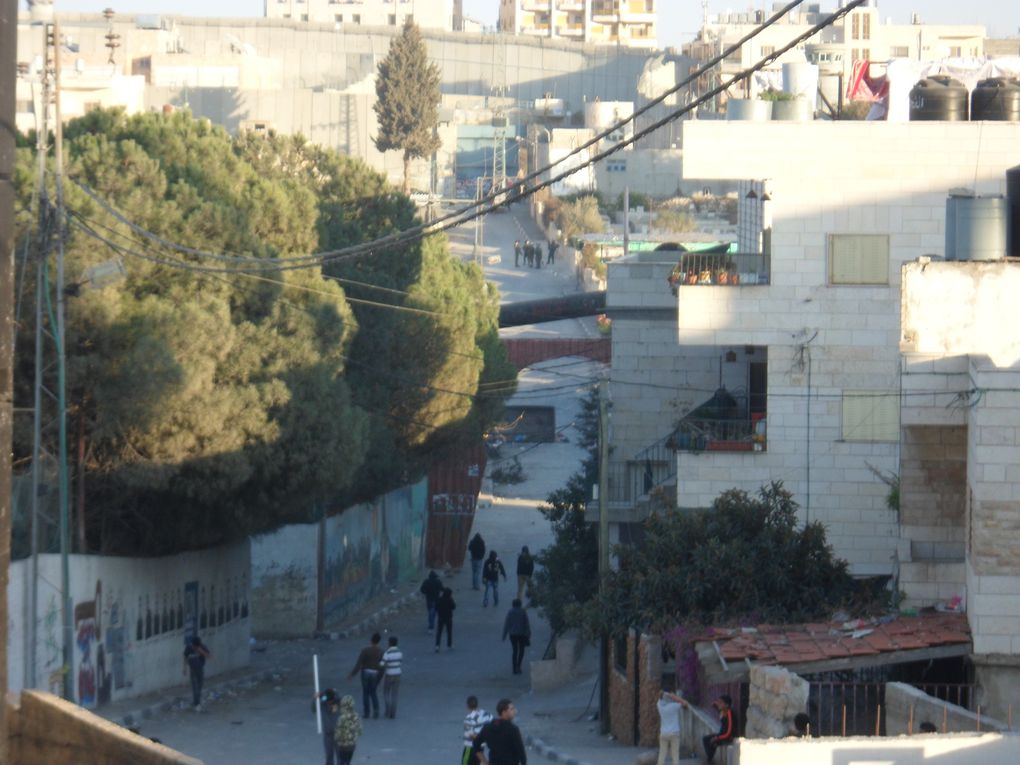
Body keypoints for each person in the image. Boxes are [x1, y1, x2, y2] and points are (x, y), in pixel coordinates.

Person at [471, 698, 527, 765]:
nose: (515, 711)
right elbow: (521, 753)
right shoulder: (513, 729)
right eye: (511, 709)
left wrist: (485, 762)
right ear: (504, 712)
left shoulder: (488, 727)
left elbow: (476, 745)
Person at [347, 632, 383, 719]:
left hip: (365, 673)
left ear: (371, 640)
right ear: (379, 641)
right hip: (375, 673)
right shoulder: (381, 652)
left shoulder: (365, 650)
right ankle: (376, 711)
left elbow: (359, 664)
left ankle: (367, 712)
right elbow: (382, 665)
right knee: (373, 692)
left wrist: (352, 674)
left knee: (365, 693)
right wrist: (380, 676)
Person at [656, 691, 687, 765]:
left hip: (663, 733)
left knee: (662, 754)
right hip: (674, 733)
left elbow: (660, 698)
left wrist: (666, 694)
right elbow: (685, 703)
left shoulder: (659, 706)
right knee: (675, 754)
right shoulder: (674, 706)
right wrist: (674, 697)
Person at [313, 688, 342, 765]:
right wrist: (315, 699)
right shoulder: (324, 702)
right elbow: (314, 709)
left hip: (336, 732)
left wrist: (319, 696)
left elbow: (339, 698)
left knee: (339, 754)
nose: (329, 702)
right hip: (330, 733)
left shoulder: (334, 702)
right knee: (330, 754)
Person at [702, 694, 734, 764]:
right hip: (721, 734)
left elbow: (729, 732)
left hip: (727, 737)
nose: (719, 704)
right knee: (705, 739)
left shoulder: (729, 714)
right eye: (719, 702)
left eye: (721, 702)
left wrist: (718, 738)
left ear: (727, 705)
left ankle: (709, 761)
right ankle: (709, 760)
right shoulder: (723, 711)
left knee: (712, 742)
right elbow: (716, 706)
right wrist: (715, 704)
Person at [502, 599, 531, 675]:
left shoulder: (510, 612)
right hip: (521, 634)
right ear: (520, 604)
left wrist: (504, 635)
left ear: (513, 604)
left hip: (513, 634)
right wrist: (528, 633)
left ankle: (514, 668)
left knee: (515, 650)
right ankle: (519, 665)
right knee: (521, 650)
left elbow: (507, 624)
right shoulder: (523, 612)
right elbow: (526, 623)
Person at [462, 695, 493, 765]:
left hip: (470, 747)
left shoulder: (468, 719)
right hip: (481, 747)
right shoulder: (486, 714)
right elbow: (493, 725)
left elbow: (472, 735)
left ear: (467, 706)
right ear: (477, 704)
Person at [182, 635, 210, 711]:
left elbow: (209, 656)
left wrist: (201, 651)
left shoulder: (202, 647)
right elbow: (185, 657)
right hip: (193, 669)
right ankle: (197, 703)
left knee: (200, 686)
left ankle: (196, 702)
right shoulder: (189, 648)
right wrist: (184, 668)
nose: (195, 648)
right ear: (193, 645)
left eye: (197, 647)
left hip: (200, 669)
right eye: (195, 647)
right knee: (195, 687)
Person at [333, 694, 362, 765]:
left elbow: (338, 732)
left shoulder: (341, 717)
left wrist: (336, 739)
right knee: (348, 761)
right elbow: (360, 731)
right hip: (352, 745)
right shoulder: (356, 716)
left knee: (341, 761)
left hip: (342, 744)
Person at [381, 635, 403, 719]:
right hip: (398, 674)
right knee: (395, 694)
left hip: (389, 674)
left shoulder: (387, 653)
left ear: (389, 643)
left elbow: (382, 664)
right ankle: (393, 713)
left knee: (386, 692)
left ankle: (388, 710)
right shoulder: (400, 653)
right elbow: (400, 662)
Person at [435, 587, 456, 651]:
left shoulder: (440, 599)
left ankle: (437, 645)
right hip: (448, 618)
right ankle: (449, 645)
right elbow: (453, 607)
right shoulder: (450, 599)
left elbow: (436, 606)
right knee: (449, 632)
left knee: (439, 632)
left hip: (441, 617)